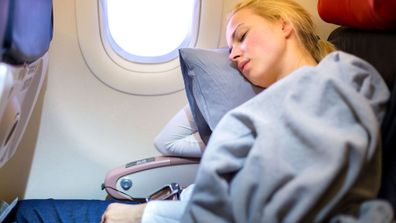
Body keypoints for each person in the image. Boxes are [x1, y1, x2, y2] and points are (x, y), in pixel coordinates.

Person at [101, 0, 390, 222]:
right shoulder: (272, 103)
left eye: (242, 36)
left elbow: (276, 201)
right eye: (229, 50)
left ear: (283, 24)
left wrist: (145, 215)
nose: (234, 54)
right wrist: (210, 83)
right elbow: (169, 141)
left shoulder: (331, 82)